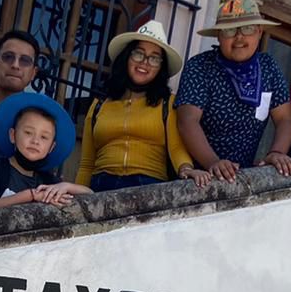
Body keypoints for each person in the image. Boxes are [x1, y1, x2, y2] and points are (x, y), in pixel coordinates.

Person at [175, 0, 291, 181]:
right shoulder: (200, 66)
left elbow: (285, 119)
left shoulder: (268, 67)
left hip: (244, 175)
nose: (239, 37)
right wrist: (213, 162)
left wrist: (277, 152)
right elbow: (187, 121)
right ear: (218, 36)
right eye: (230, 30)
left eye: (247, 28)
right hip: (199, 176)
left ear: (259, 31)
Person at [75, 20, 203, 190]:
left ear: (161, 68)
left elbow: (176, 147)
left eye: (154, 58)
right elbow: (86, 164)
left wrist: (187, 169)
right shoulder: (99, 104)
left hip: (147, 186)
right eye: (138, 54)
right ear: (126, 57)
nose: (145, 62)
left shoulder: (167, 102)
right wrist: (75, 199)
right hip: (101, 185)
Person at [0, 93, 88, 211]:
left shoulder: (49, 182)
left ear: (51, 147)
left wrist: (67, 186)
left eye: (44, 137)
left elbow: (91, 196)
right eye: (28, 133)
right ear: (12, 135)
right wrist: (30, 195)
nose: (35, 141)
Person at [0, 29, 43, 154]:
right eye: (8, 57)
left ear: (33, 73)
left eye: (25, 60)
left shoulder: (37, 118)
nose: (15, 65)